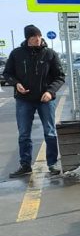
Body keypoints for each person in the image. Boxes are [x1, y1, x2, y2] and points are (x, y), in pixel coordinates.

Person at [4, 25, 65, 178]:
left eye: (39, 36)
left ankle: (52, 164)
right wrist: (16, 83)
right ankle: (25, 165)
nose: (37, 39)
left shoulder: (50, 54)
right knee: (24, 133)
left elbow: (60, 77)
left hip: (45, 100)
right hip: (24, 100)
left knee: (50, 132)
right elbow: (7, 73)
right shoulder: (16, 54)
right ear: (27, 38)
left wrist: (50, 92)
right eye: (33, 37)